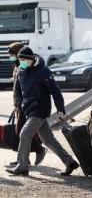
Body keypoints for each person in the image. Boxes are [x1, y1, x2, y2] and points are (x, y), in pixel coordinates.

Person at [6, 46, 79, 176]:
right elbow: (17, 90)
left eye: (23, 59)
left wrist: (60, 109)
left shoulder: (43, 71)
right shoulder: (21, 71)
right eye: (19, 59)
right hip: (28, 108)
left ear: (30, 59)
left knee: (25, 133)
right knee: (47, 140)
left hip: (40, 109)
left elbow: (55, 91)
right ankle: (70, 162)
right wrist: (19, 102)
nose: (21, 62)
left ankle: (22, 165)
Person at [7, 42, 47, 167]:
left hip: (28, 105)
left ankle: (38, 150)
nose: (11, 57)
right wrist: (16, 103)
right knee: (45, 135)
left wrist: (22, 103)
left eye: (13, 54)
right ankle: (24, 159)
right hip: (22, 104)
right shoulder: (18, 66)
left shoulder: (26, 67)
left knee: (21, 132)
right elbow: (16, 88)